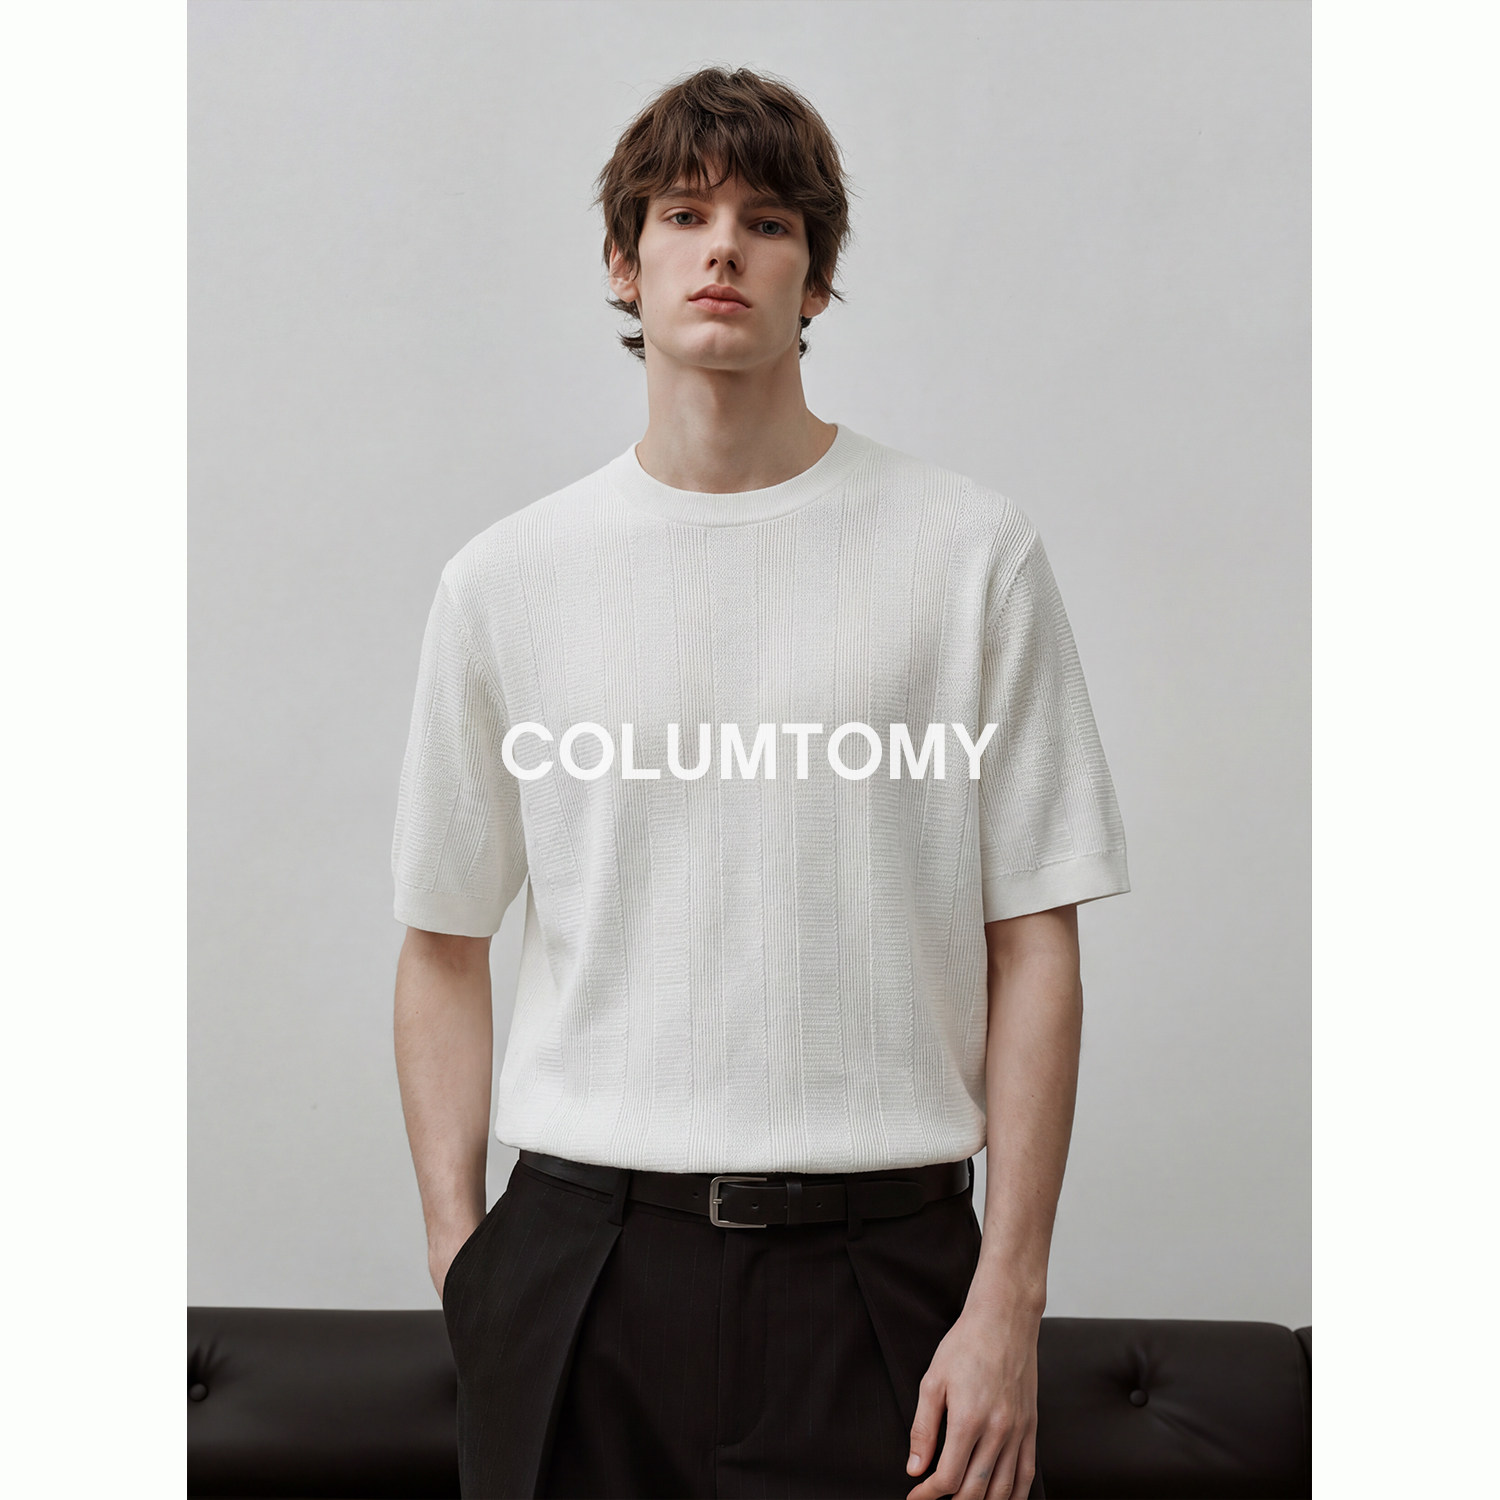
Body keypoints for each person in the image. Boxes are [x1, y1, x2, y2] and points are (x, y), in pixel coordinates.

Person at [391, 65, 1129, 1500]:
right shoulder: (506, 582)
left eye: (768, 221)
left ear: (817, 279)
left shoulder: (968, 554)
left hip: (887, 1273)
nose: (722, 247)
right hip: (578, 1271)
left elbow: (1035, 938)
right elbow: (440, 942)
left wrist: (1009, 1301)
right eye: (683, 214)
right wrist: (464, 1263)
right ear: (626, 262)